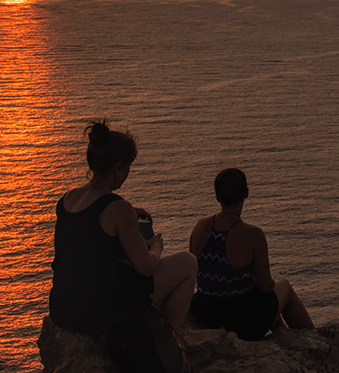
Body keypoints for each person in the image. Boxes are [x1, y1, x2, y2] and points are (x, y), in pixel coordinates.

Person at [49, 120, 196, 335]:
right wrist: (155, 248)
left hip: (62, 309)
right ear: (118, 167)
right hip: (96, 312)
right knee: (188, 263)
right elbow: (146, 267)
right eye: (128, 167)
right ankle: (169, 338)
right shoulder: (119, 208)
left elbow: (88, 238)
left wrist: (130, 214)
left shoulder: (68, 198)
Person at [187, 167, 314, 340]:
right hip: (242, 321)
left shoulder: (200, 225)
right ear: (246, 193)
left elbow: (195, 269)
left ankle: (285, 336)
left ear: (217, 196)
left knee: (261, 300)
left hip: (205, 312)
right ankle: (313, 340)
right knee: (284, 287)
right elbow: (266, 286)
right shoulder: (253, 234)